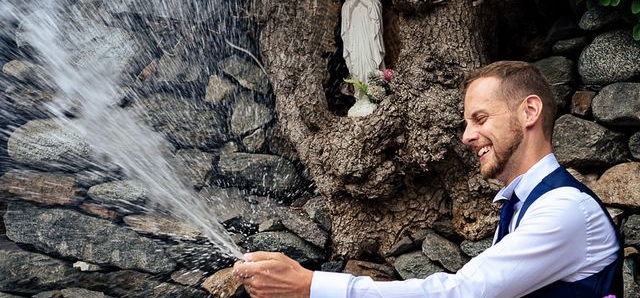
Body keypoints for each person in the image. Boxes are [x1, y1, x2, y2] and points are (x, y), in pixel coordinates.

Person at [233, 61, 623, 297]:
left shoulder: (564, 210)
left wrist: (311, 287)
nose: (467, 136)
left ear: (529, 111)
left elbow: (465, 293)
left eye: (480, 119)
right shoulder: (527, 204)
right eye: (466, 122)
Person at [340, 0, 385, 117]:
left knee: (369, 61)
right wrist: (354, 1)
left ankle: (373, 94)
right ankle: (360, 95)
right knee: (357, 63)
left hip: (368, 34)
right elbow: (346, 13)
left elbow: (376, 10)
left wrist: (363, 0)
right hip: (355, 34)